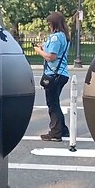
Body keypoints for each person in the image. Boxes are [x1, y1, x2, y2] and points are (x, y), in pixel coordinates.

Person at [34, 11, 70, 142]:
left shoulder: (55, 37)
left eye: (49, 23)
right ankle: (63, 129)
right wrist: (44, 47)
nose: (48, 25)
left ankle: (55, 132)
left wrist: (39, 51)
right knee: (55, 102)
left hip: (54, 75)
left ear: (54, 23)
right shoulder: (64, 36)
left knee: (52, 104)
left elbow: (51, 57)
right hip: (62, 74)